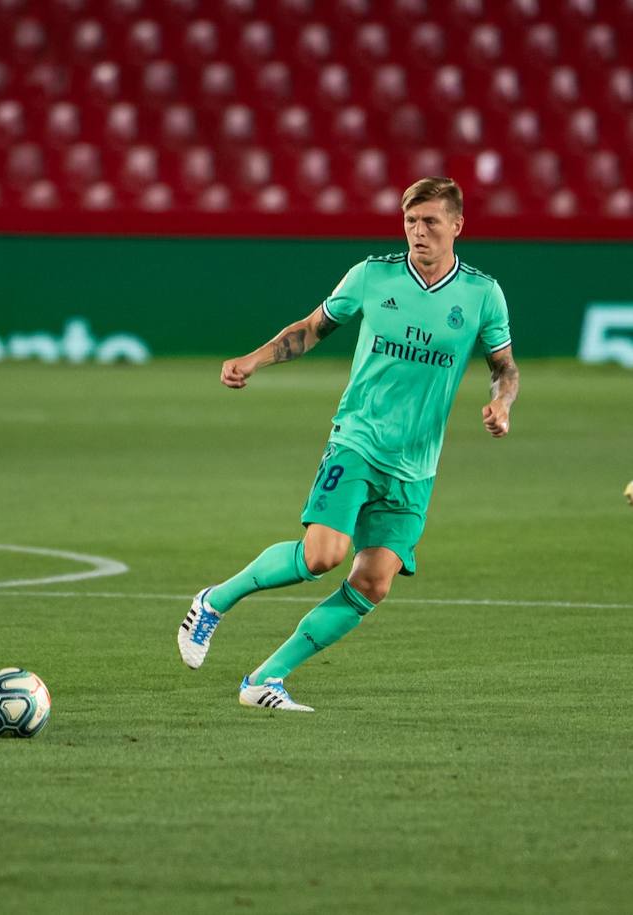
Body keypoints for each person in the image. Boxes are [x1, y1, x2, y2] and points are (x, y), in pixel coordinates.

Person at [178, 177, 520, 712]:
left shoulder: (482, 294)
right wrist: (253, 360)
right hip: (357, 440)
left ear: (457, 225)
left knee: (373, 582)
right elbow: (312, 329)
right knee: (324, 556)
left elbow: (504, 368)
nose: (418, 232)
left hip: (416, 464)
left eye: (430, 221)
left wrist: (502, 403)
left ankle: (264, 679)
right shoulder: (372, 275)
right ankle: (214, 600)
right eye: (410, 221)